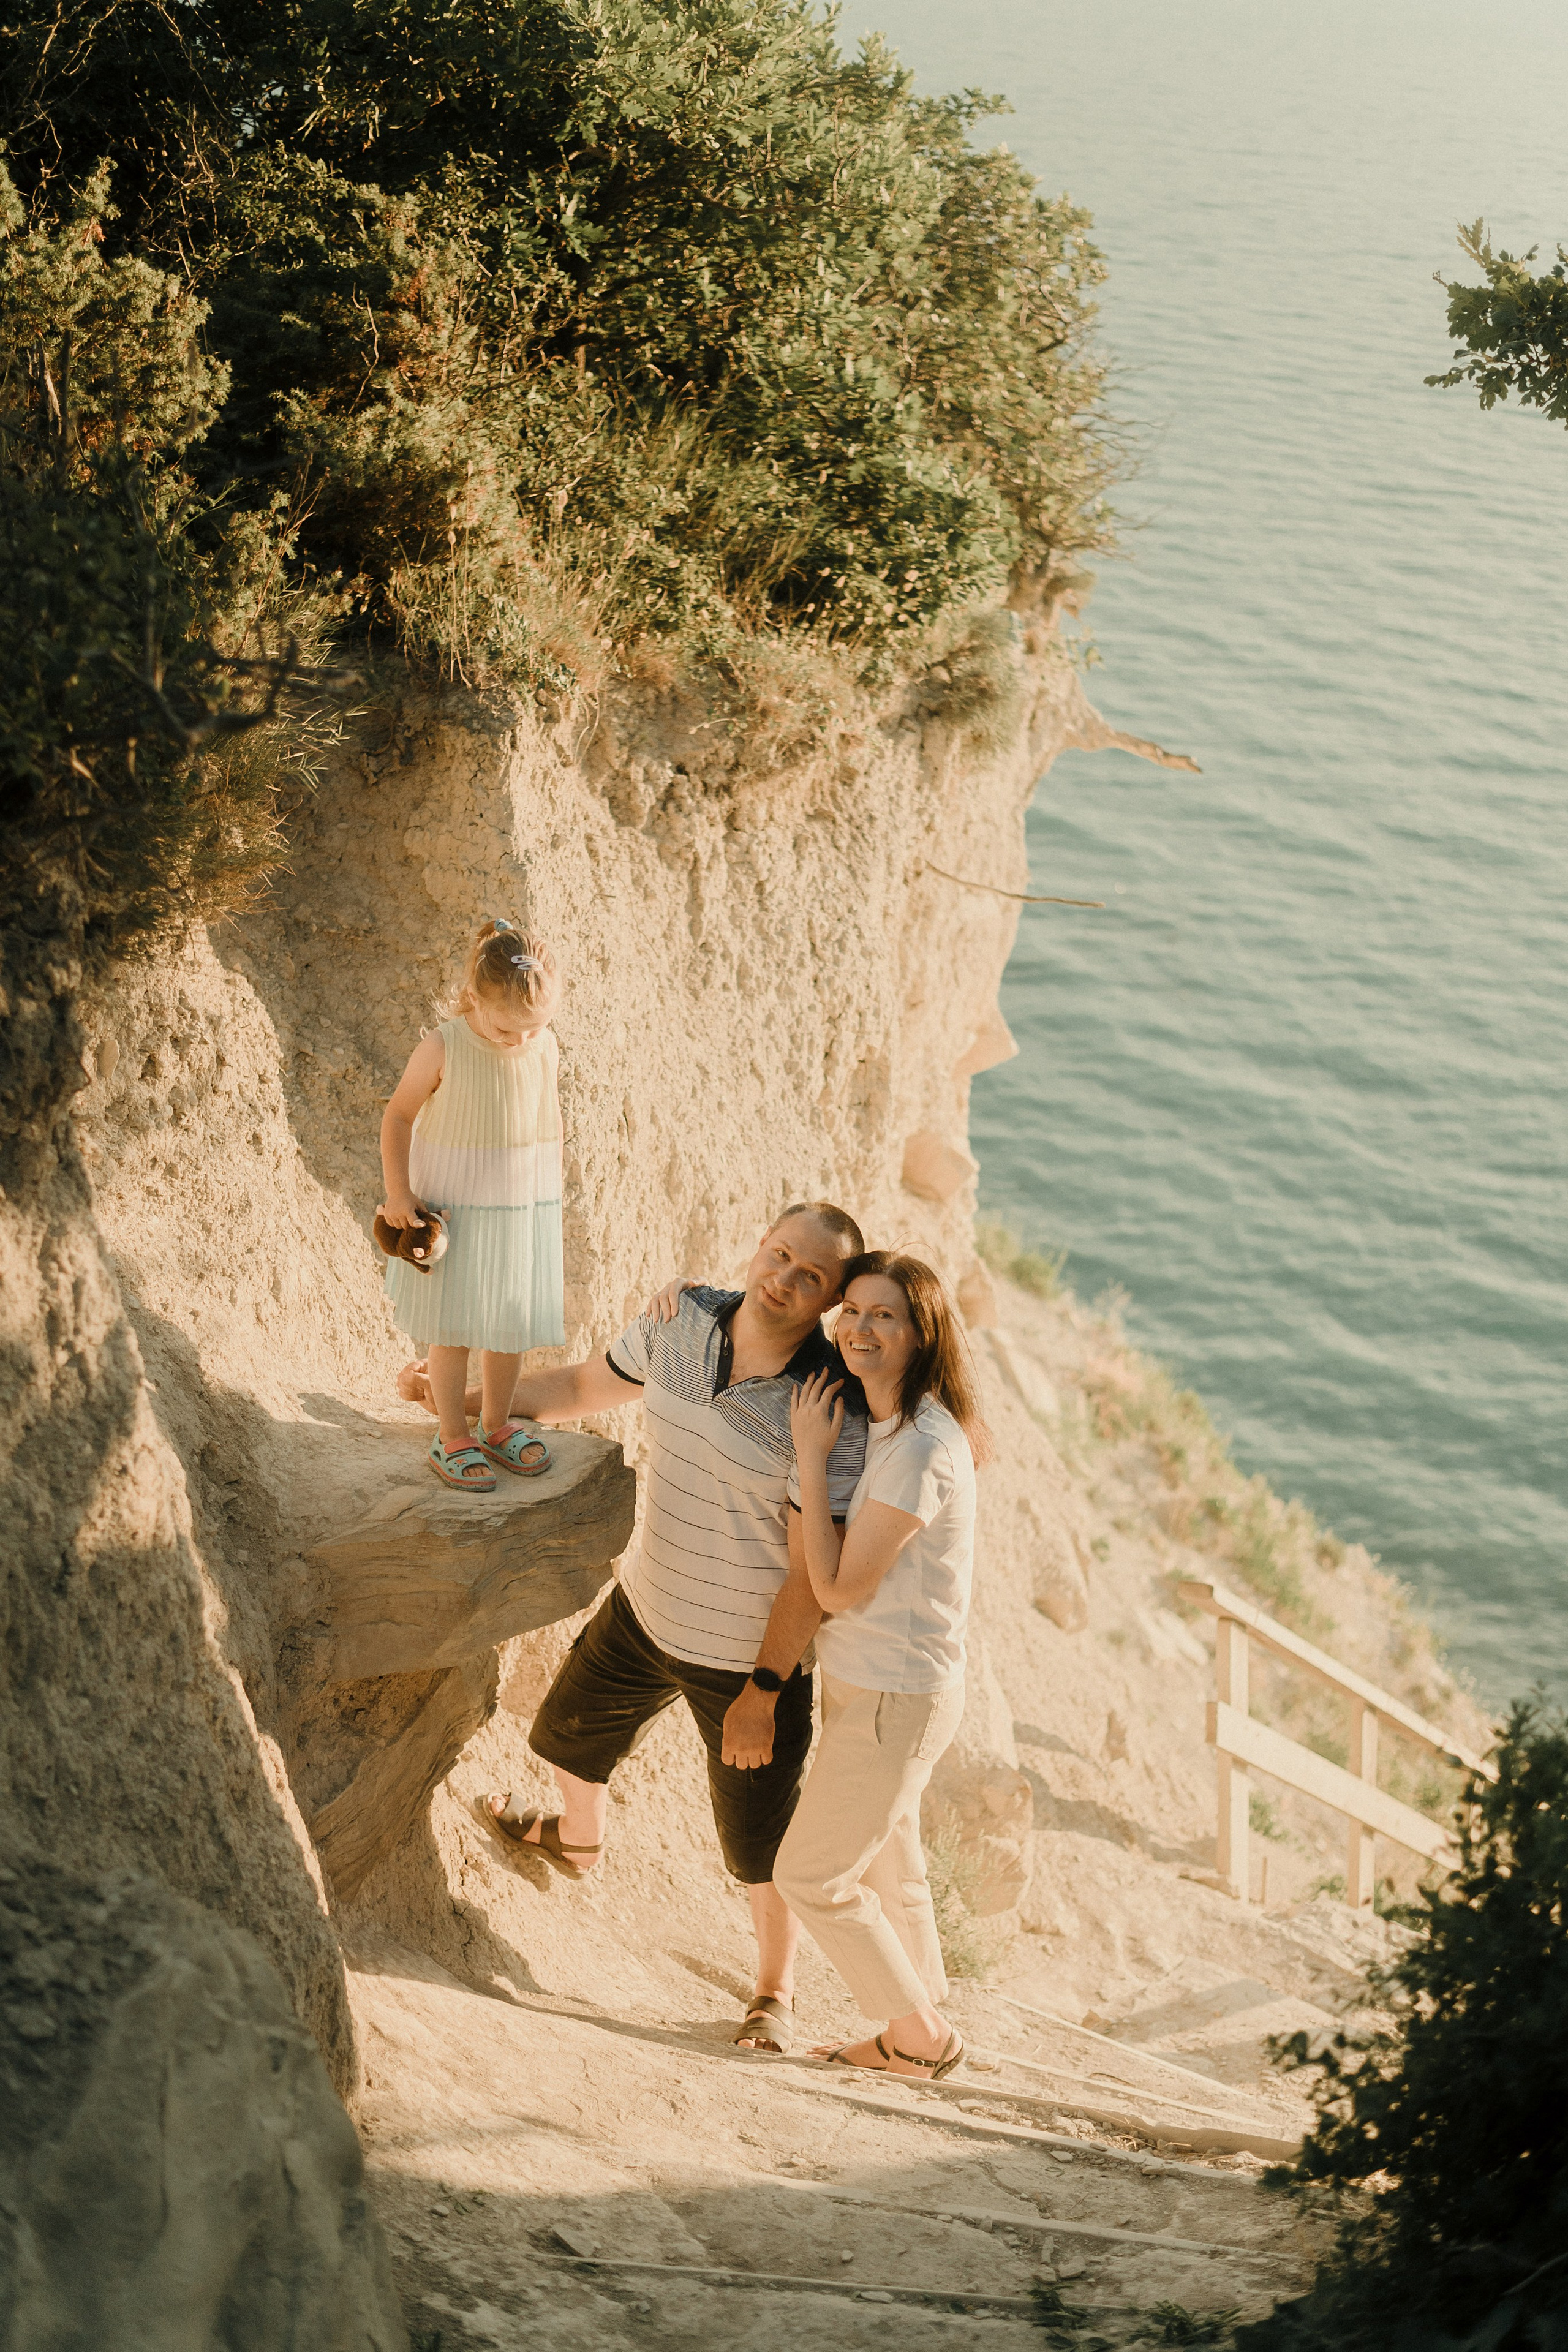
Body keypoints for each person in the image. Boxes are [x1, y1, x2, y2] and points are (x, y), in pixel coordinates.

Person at [478, 1204, 870, 2052]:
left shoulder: (826, 1409)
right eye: (782, 1255)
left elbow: (810, 1576)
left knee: (759, 1849)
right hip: (646, 1609)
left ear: (831, 1301)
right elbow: (585, 1385)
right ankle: (579, 1842)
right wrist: (479, 1403)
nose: (787, 1279)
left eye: (813, 1278)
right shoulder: (681, 1320)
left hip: (745, 1661)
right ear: (762, 1242)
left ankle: (774, 1992)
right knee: (562, 1741)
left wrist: (765, 1692)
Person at [774, 1250, 989, 2082]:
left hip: (893, 1698)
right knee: (893, 1864)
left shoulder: (919, 1452)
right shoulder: (906, 1425)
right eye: (852, 1312)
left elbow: (832, 1586)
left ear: (920, 1333)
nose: (861, 1329)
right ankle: (921, 2017)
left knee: (812, 1875)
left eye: (885, 1316)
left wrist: (812, 1452)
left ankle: (920, 2036)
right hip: (886, 1688)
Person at [378, 918, 563, 1492]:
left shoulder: (541, 1043)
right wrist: (399, 1193)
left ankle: (498, 1423)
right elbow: (398, 1115)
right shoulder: (444, 1044)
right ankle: (452, 1433)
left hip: (517, 1205)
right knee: (453, 1326)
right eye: (508, 1028)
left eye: (533, 1030)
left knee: (508, 1325)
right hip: (456, 1205)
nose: (520, 1042)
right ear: (477, 998)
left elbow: (538, 1121)